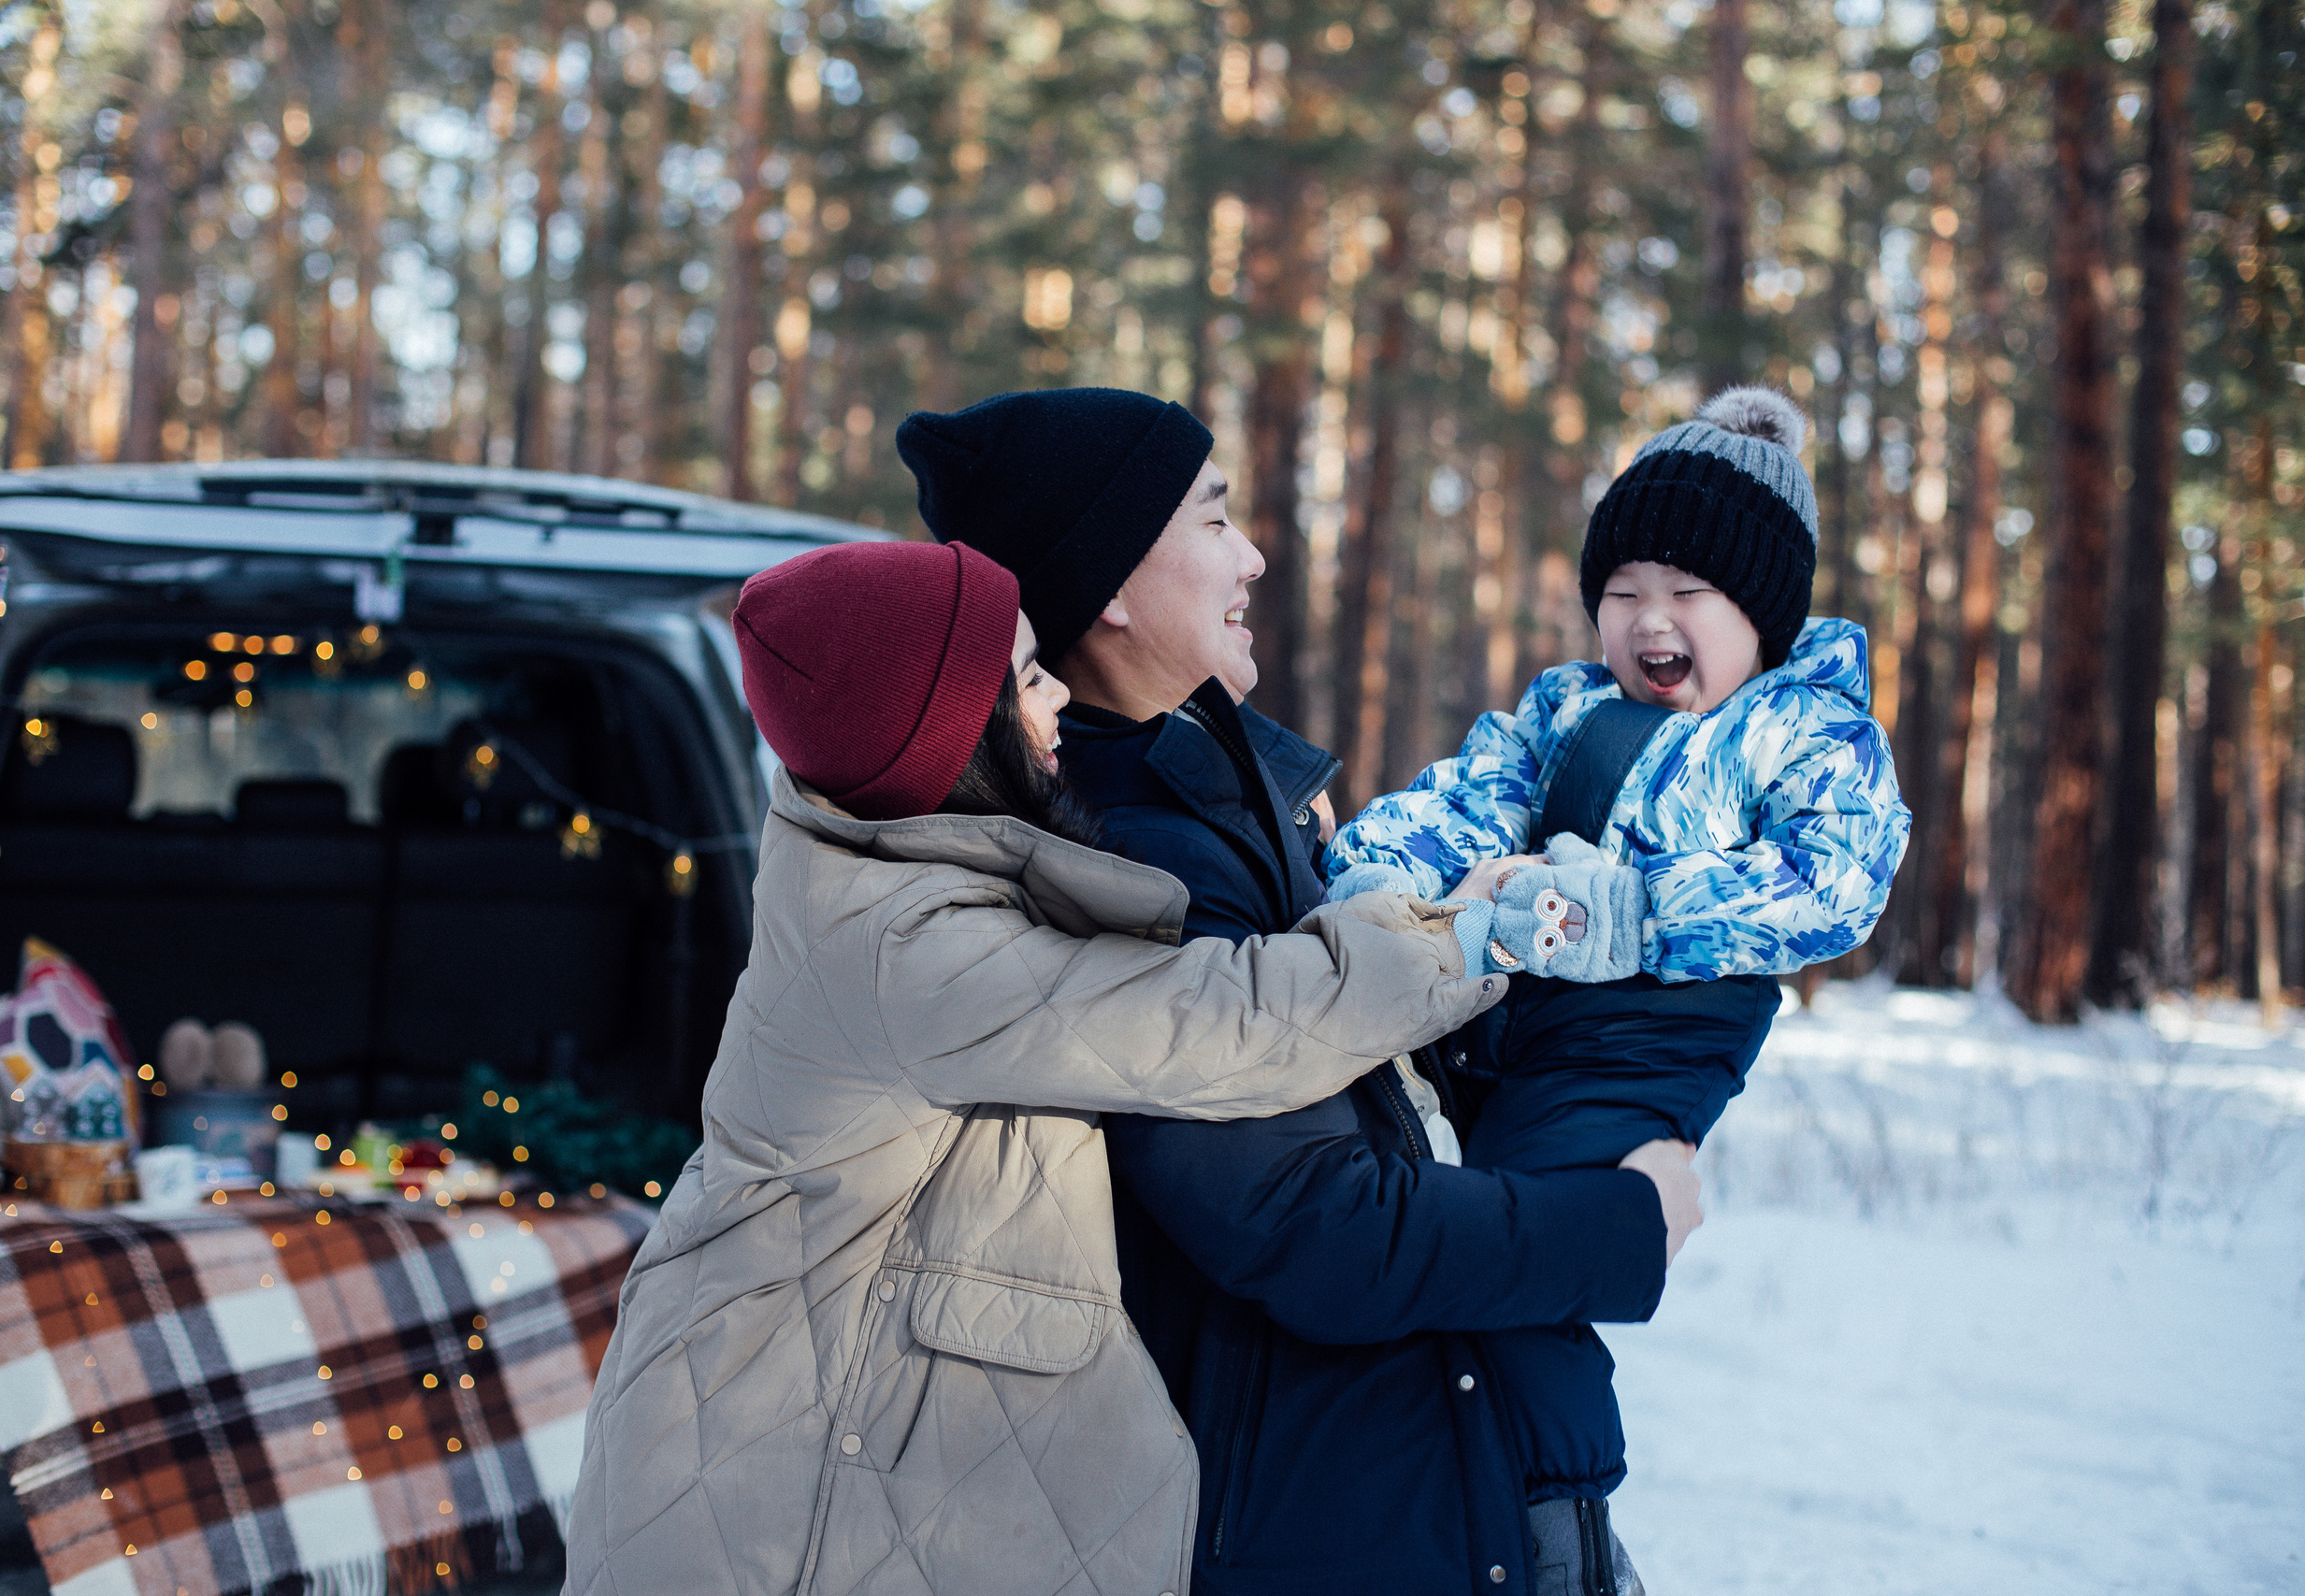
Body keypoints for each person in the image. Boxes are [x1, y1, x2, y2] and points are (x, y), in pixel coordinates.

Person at [561, 538, 1513, 1596]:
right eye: (1024, 677)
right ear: (946, 738)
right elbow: (1211, 1025)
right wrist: (1460, 939)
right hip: (782, 1512)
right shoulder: (905, 950)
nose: (1056, 689)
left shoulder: (881, 881)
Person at [899, 387, 1701, 1596]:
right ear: (1112, 584)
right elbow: (1311, 1223)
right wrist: (1619, 1225)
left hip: (1428, 1473)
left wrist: (1487, 937)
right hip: (1335, 1519)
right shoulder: (1135, 867)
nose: (1253, 552)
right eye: (1215, 519)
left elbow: (1381, 1105)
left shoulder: (1229, 797)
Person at [1323, 386, 1913, 1525]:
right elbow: (1464, 800)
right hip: (1507, 1017)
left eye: (1688, 593)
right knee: (1430, 1214)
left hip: (1650, 1037)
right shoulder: (1563, 711)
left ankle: (1552, 1511)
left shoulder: (1802, 727)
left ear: (1764, 614)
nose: (1652, 619)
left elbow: (1835, 881)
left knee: (1534, 1240)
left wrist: (1636, 911)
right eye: (1623, 592)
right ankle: (1432, 1480)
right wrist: (1375, 880)